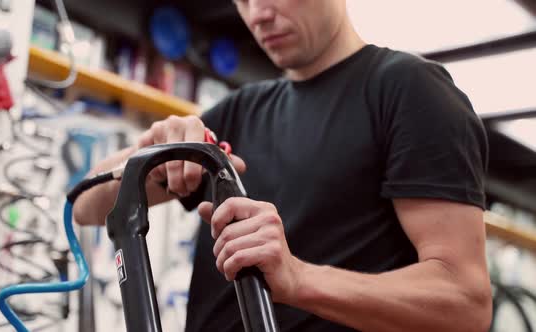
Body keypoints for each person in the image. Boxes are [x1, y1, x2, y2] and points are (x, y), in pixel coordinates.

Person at [74, 0, 493, 331]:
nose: (258, 14)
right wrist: (148, 151)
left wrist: (299, 279)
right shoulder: (243, 111)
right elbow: (87, 206)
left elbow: (465, 303)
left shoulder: (408, 90)